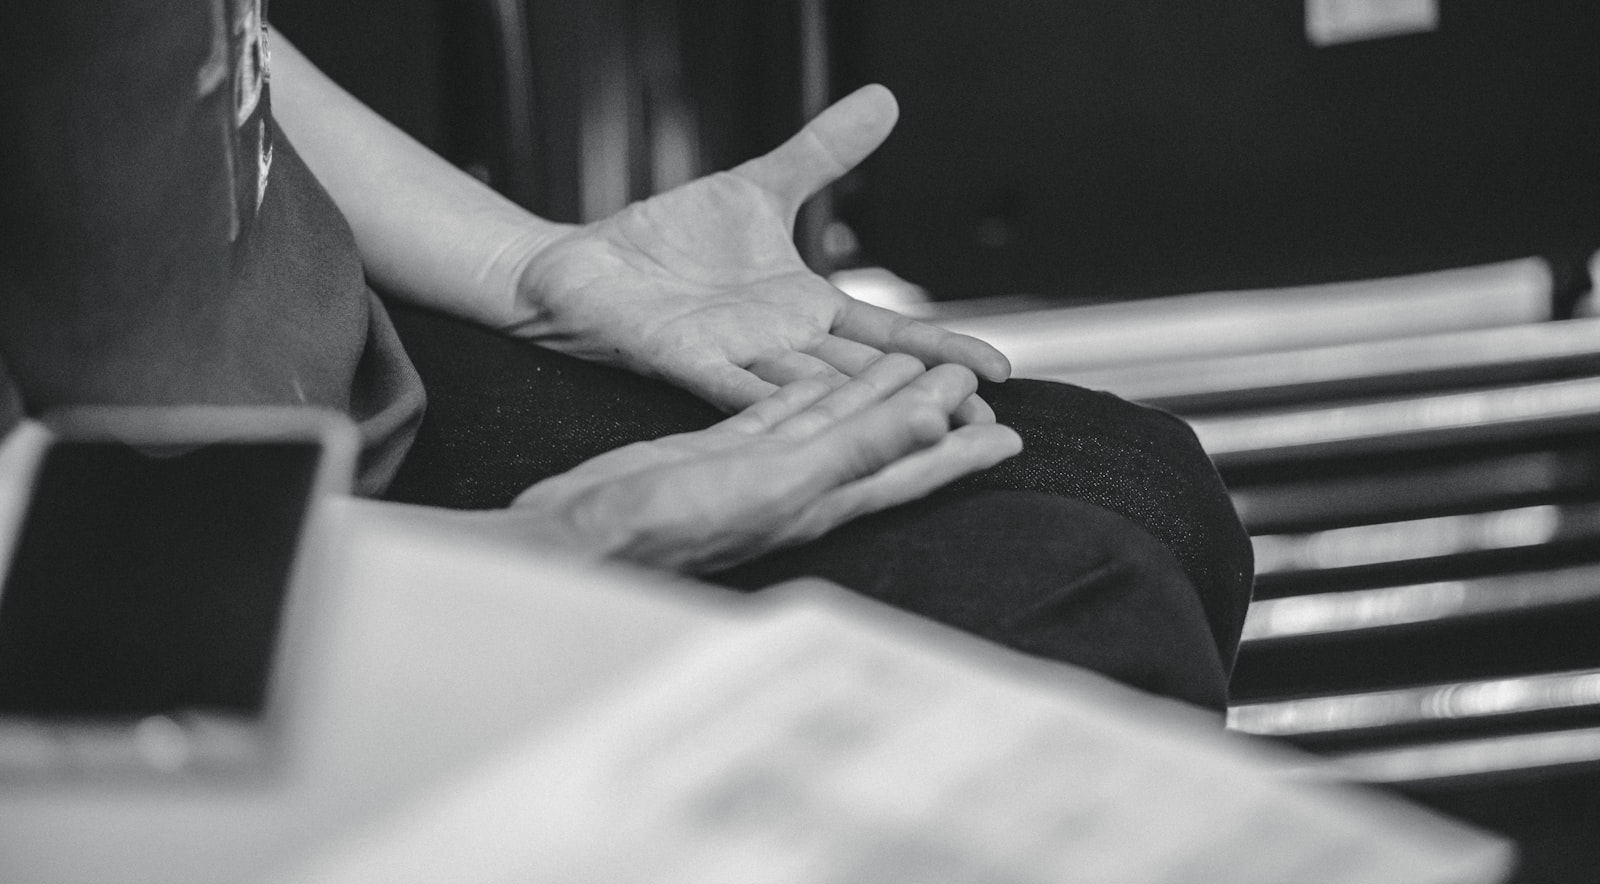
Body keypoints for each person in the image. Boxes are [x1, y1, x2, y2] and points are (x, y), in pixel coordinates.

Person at [0, 3, 1251, 711]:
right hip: (128, 618)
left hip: (310, 406)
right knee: (1058, 611)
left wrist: (531, 271)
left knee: (1122, 472)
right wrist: (538, 555)